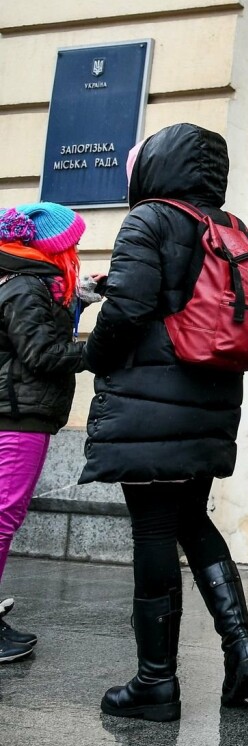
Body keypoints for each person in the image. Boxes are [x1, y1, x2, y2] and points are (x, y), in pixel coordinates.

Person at [79, 123, 248, 721]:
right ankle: (241, 648)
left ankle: (155, 682)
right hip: (208, 401)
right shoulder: (226, 225)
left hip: (151, 405)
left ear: (155, 166)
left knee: (155, 533)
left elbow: (133, 308)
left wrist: (94, 355)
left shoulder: (150, 219)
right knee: (192, 517)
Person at [0, 203, 89, 672]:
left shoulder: (24, 283)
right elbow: (41, 352)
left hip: (16, 413)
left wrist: (82, 298)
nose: (74, 251)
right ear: (52, 248)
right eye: (71, 243)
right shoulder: (27, 287)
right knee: (2, 519)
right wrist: (97, 348)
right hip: (19, 418)